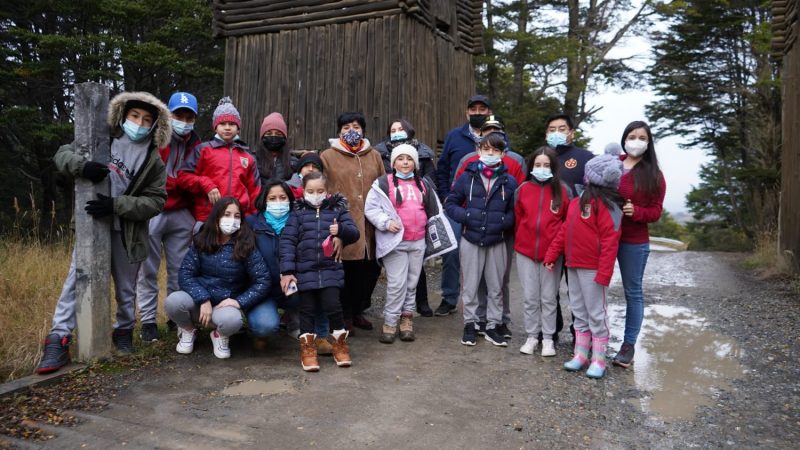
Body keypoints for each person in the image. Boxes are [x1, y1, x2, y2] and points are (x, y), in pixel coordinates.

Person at [35, 92, 169, 374]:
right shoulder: (101, 141)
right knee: (76, 280)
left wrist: (117, 205)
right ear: (123, 115)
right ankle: (58, 339)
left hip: (127, 232)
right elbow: (62, 155)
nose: (139, 123)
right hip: (91, 227)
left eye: (146, 120)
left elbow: (156, 201)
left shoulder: (153, 160)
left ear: (154, 124)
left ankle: (122, 333)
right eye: (135, 116)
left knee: (126, 288)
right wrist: (83, 167)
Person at [543, 143, 624, 379]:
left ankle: (599, 358)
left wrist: (604, 273)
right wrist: (552, 254)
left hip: (593, 268)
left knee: (596, 313)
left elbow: (611, 241)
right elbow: (564, 230)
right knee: (578, 310)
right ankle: (581, 354)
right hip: (574, 265)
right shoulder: (578, 202)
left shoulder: (608, 206)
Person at [165, 197, 269, 359]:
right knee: (173, 301)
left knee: (232, 321)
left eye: (236, 216)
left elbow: (263, 280)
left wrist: (239, 302)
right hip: (199, 303)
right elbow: (185, 274)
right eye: (227, 215)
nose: (232, 220)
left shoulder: (246, 245)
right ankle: (188, 329)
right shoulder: (201, 241)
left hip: (224, 305)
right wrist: (203, 298)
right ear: (216, 217)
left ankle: (219, 335)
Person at [135, 91, 201, 341]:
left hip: (182, 212)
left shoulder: (196, 143)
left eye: (188, 116)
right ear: (169, 114)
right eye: (178, 114)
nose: (183, 120)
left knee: (179, 270)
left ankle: (177, 317)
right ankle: (149, 321)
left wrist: (182, 185)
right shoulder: (153, 137)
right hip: (153, 209)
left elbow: (193, 179)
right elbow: (154, 177)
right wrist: (179, 183)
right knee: (147, 269)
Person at [279, 172, 360, 372]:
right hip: (305, 272)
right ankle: (308, 350)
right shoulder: (297, 214)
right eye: (311, 191)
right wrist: (288, 270)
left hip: (330, 269)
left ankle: (339, 345)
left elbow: (354, 233)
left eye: (320, 191)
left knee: (333, 307)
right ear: (303, 192)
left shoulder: (337, 210)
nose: (315, 195)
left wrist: (340, 230)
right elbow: (287, 242)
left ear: (327, 191)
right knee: (307, 311)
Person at [452, 117, 524, 337]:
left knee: (496, 286)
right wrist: (466, 217)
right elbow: (451, 202)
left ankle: (493, 324)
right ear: (478, 150)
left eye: (495, 150)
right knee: (470, 285)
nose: (490, 153)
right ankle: (471, 324)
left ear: (503, 153)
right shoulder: (468, 176)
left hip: (497, 239)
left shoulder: (510, 181)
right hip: (471, 236)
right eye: (485, 149)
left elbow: (517, 209)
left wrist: (504, 222)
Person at [365, 144, 439, 343]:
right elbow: (371, 208)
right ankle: (390, 322)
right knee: (397, 283)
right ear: (393, 162)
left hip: (418, 241)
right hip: (395, 243)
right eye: (400, 158)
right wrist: (386, 223)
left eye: (409, 159)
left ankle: (407, 320)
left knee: (412, 282)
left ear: (415, 162)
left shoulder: (423, 184)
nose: (405, 162)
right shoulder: (383, 183)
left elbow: (433, 210)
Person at [319, 112, 385, 331]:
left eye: (356, 126)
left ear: (363, 130)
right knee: (346, 270)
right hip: (344, 221)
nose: (351, 131)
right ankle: (345, 315)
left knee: (369, 269)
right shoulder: (328, 156)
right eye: (346, 127)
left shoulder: (374, 155)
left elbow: (383, 185)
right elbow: (323, 187)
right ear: (339, 132)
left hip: (370, 222)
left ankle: (358, 311)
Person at [611, 121, 666, 369]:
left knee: (632, 292)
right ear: (624, 139)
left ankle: (628, 345)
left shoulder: (654, 174)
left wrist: (638, 212)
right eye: (631, 136)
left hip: (633, 241)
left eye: (641, 137)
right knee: (595, 287)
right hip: (603, 236)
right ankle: (591, 338)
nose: (636, 141)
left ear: (648, 142)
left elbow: (655, 211)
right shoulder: (611, 162)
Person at [434, 94, 494, 316]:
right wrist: (444, 196)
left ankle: (484, 302)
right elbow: (442, 169)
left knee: (485, 254)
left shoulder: (497, 136)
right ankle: (449, 297)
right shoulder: (454, 136)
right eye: (473, 109)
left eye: (482, 109)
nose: (478, 113)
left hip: (487, 206)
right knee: (451, 251)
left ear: (488, 112)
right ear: (467, 112)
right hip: (456, 204)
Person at [372, 119, 436, 316]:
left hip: (416, 234)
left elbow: (432, 186)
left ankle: (416, 307)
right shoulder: (381, 156)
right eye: (393, 130)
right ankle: (391, 317)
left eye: (401, 129)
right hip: (395, 231)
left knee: (414, 276)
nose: (397, 132)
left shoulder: (423, 155)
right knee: (396, 279)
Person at [544, 113, 594, 343]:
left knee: (577, 287)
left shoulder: (585, 158)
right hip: (548, 233)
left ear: (571, 132)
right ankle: (551, 329)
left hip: (576, 234)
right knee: (549, 287)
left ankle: (580, 333)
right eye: (552, 129)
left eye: (562, 128)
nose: (557, 132)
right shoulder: (540, 159)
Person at [514, 147, 569, 356]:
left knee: (548, 298)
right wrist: (521, 243)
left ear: (553, 167)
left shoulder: (563, 191)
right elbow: (518, 219)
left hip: (552, 255)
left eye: (546, 165)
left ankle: (548, 339)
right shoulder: (523, 189)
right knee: (530, 297)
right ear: (531, 167)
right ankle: (531, 336)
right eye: (538, 165)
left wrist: (556, 251)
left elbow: (566, 224)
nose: (542, 168)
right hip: (525, 252)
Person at [177, 97, 261, 227]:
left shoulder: (248, 157)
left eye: (232, 124)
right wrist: (205, 183)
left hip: (238, 219)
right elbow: (183, 177)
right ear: (215, 127)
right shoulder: (202, 150)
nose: (227, 128)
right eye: (222, 124)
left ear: (238, 128)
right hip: (207, 218)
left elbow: (254, 190)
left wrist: (252, 217)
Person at [245, 180, 308, 349]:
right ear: (264, 201)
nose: (278, 202)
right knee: (264, 325)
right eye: (272, 198)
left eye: (282, 197)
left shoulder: (300, 222)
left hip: (294, 286)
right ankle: (258, 329)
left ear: (290, 199)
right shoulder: (251, 224)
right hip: (262, 290)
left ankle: (294, 323)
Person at [255, 112, 297, 183]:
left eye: (278, 134)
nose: (273, 136)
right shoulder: (253, 160)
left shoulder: (293, 162)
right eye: (269, 133)